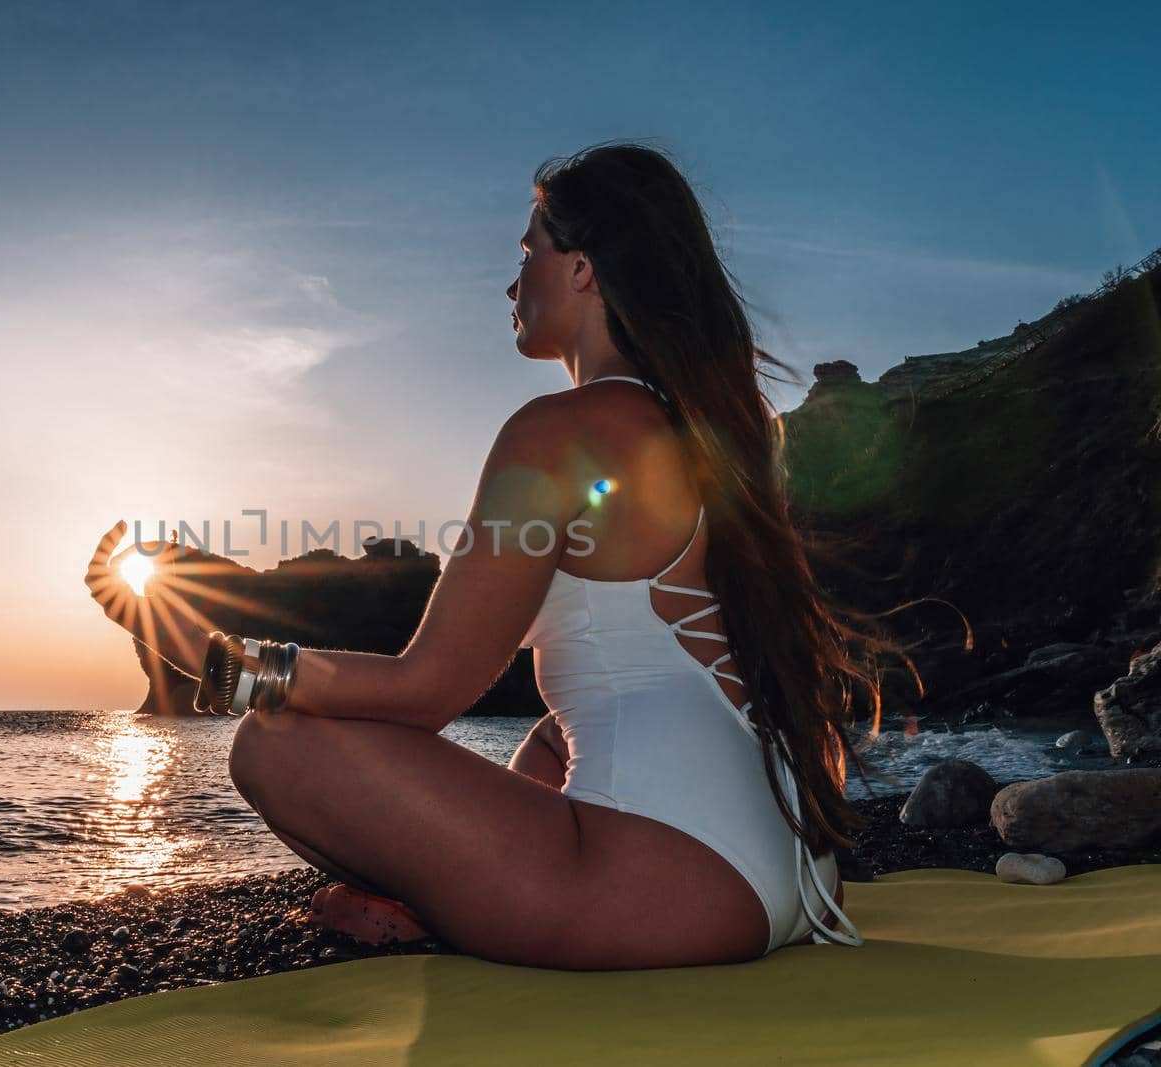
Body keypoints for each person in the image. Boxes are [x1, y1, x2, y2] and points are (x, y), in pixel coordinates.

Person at [86, 141, 906, 970]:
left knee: (272, 746)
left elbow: (426, 688)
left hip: (677, 884)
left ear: (584, 269)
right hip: (791, 873)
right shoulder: (708, 435)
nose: (513, 285)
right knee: (557, 731)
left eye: (529, 254)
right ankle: (437, 902)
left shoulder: (556, 434)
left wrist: (229, 666)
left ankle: (447, 911)